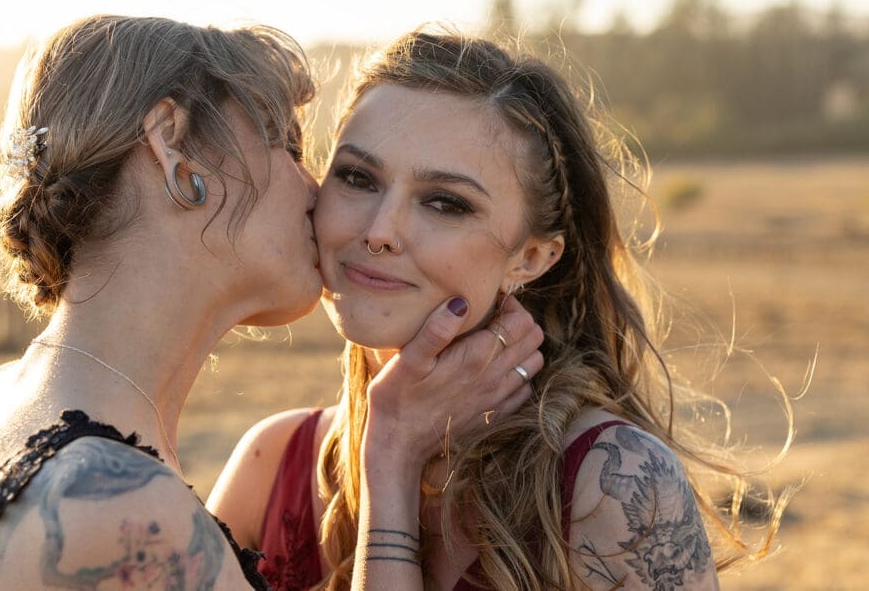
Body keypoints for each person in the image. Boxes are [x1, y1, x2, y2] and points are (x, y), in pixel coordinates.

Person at [0, 15, 541, 590]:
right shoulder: (121, 510)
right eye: (285, 145)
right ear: (173, 146)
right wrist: (393, 453)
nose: (312, 189)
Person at [208, 30, 789, 590]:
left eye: (444, 203)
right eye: (358, 178)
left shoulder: (610, 482)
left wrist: (391, 454)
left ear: (531, 258)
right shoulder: (272, 463)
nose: (380, 231)